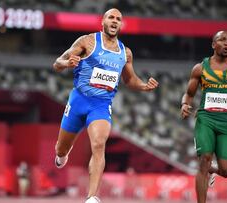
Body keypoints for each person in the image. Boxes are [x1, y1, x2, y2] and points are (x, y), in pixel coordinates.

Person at [53, 8, 159, 203]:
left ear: (121, 24)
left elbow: (129, 80)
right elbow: (57, 63)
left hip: (101, 105)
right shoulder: (87, 41)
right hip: (78, 101)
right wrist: (67, 63)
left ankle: (92, 197)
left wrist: (144, 86)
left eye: (118, 19)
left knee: (99, 143)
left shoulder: (125, 52)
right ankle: (61, 155)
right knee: (61, 149)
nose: (114, 21)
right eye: (111, 17)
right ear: (103, 21)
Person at [180, 30, 227, 203]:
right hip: (206, 119)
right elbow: (189, 94)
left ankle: (211, 170)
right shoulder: (200, 68)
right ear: (214, 44)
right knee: (204, 160)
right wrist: (185, 104)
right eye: (222, 40)